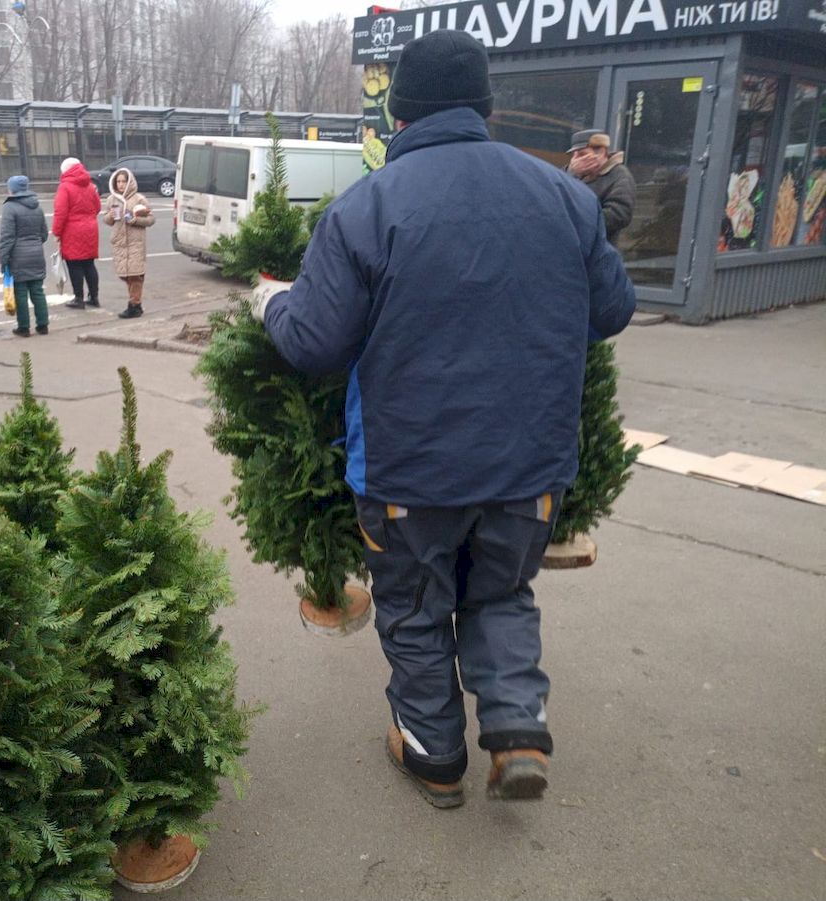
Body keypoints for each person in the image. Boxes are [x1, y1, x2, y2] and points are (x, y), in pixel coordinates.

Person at [251, 31, 635, 807]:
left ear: (399, 112)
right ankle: (519, 728)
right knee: (501, 592)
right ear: (485, 105)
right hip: (532, 467)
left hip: (409, 471)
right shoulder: (565, 196)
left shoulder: (368, 206)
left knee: (418, 606)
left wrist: (270, 301)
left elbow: (315, 340)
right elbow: (613, 311)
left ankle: (434, 756)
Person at [0, 175, 49, 337]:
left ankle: (24, 327)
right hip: (36, 254)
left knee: (20, 292)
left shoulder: (9, 207)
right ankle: (43, 325)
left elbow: (7, 237)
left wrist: (3, 258)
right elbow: (44, 234)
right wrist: (34, 243)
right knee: (37, 291)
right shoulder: (37, 207)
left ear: (12, 188)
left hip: (18, 256)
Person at [567, 129, 636, 246]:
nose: (576, 160)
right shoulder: (571, 171)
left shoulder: (620, 175)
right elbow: (554, 195)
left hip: (598, 250)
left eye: (582, 154)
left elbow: (619, 215)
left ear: (601, 152)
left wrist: (580, 220)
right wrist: (572, 174)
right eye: (574, 155)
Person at [104, 168, 154, 319]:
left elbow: (151, 219)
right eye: (118, 181)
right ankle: (135, 303)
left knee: (135, 275)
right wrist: (110, 216)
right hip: (119, 242)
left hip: (135, 242)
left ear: (129, 182)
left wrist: (136, 220)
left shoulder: (139, 199)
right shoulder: (112, 199)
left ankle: (134, 305)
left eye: (123, 181)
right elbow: (106, 220)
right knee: (125, 275)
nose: (120, 184)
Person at [53, 156, 101, 310]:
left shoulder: (65, 187)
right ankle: (94, 297)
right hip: (90, 228)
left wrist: (56, 232)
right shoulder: (90, 185)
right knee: (89, 264)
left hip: (72, 230)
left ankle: (78, 298)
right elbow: (98, 207)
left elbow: (60, 212)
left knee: (74, 265)